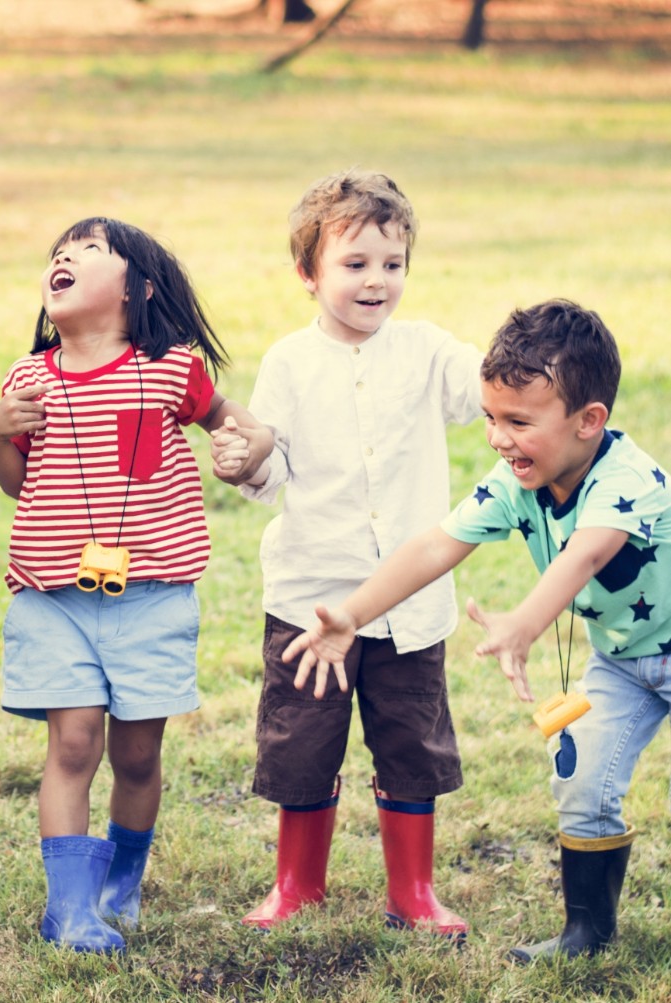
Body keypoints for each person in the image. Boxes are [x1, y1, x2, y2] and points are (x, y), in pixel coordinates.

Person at [284, 299, 666, 963]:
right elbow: (433, 546)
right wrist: (352, 611)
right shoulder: (516, 482)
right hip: (621, 661)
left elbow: (587, 553)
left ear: (588, 421)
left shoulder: (626, 480)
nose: (496, 436)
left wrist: (525, 619)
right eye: (490, 417)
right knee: (580, 781)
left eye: (518, 421)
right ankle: (586, 933)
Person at [0, 217, 272, 952]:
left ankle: (121, 882)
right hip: (53, 598)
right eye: (57, 252)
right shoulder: (28, 378)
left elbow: (231, 422)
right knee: (72, 745)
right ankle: (69, 909)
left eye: (86, 250)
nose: (63, 258)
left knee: (137, 754)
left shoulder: (172, 368)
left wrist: (250, 446)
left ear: (136, 288)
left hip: (152, 597)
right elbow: (19, 484)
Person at [211, 169, 482, 937]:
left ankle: (413, 890)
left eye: (391, 264)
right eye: (354, 264)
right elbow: (266, 472)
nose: (377, 281)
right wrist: (247, 457)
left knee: (411, 744)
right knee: (302, 743)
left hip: (408, 603)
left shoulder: (427, 351)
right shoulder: (289, 363)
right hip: (310, 597)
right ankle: (297, 884)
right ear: (308, 272)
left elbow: (483, 389)